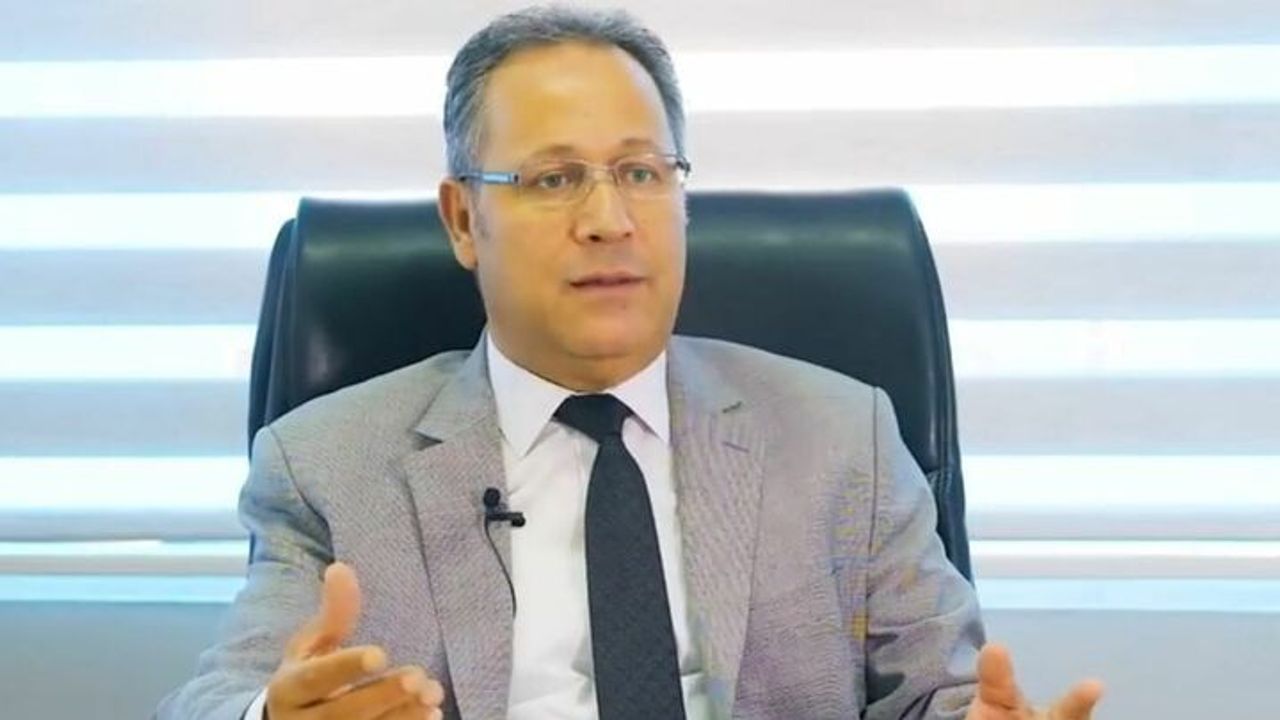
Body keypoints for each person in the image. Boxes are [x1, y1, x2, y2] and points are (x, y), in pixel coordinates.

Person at [157, 6, 1104, 719]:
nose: (609, 219)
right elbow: (218, 696)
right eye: (554, 178)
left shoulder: (841, 436)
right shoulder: (327, 465)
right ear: (463, 220)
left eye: (642, 172)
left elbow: (939, 691)